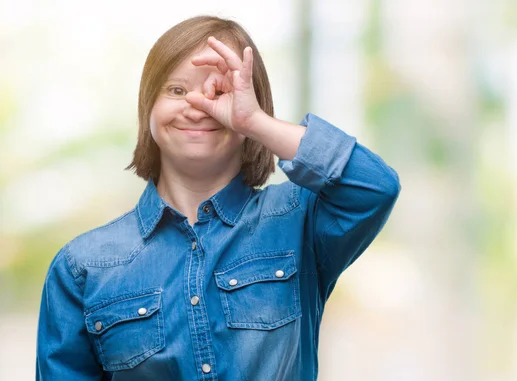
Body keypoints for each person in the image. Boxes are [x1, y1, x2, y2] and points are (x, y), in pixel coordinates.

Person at [36, 15, 400, 381]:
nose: (197, 106)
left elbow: (374, 187)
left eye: (219, 92)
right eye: (176, 90)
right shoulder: (83, 267)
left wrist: (255, 122)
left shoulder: (297, 219)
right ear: (149, 108)